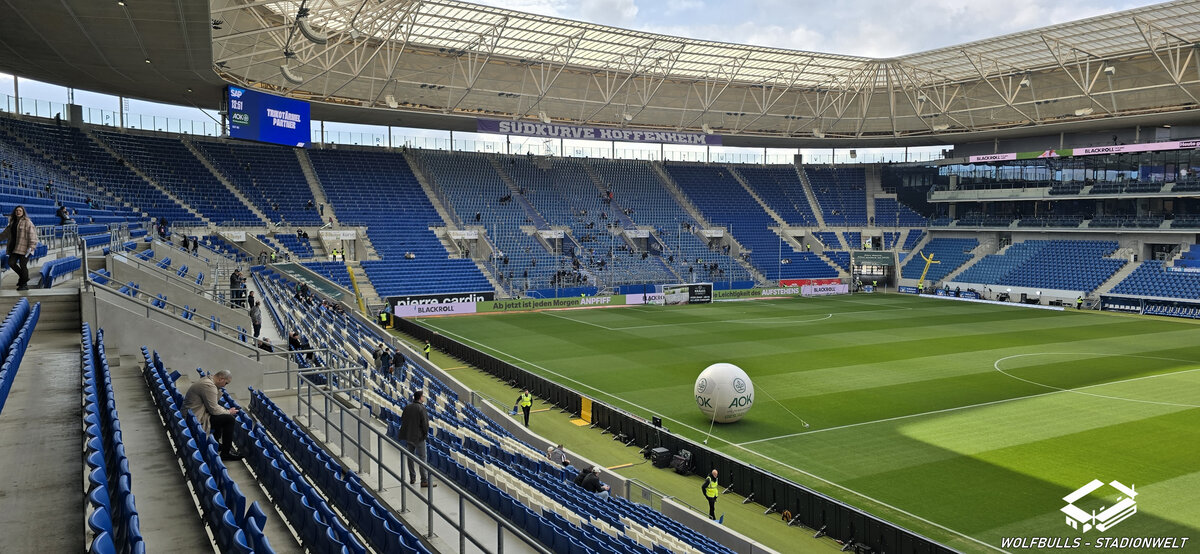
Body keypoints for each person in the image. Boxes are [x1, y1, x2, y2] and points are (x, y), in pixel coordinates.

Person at [183, 370, 242, 461]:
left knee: (221, 416)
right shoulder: (209, 386)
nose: (224, 386)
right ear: (221, 379)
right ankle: (226, 453)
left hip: (192, 415)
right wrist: (229, 412)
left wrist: (225, 411)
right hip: (195, 417)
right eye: (226, 383)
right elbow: (214, 409)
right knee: (229, 419)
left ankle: (217, 444)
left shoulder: (207, 381)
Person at [397, 390, 435, 488]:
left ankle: (412, 477)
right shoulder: (421, 408)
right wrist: (425, 434)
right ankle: (424, 480)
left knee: (410, 457)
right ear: (420, 397)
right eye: (423, 396)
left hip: (409, 436)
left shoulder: (407, 407)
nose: (424, 398)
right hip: (418, 437)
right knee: (422, 458)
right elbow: (425, 424)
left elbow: (403, 419)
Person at [3, 206, 39, 291]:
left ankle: (24, 285)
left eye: (20, 210)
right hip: (15, 247)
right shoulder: (12, 222)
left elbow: (33, 235)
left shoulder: (27, 222)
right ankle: (24, 278)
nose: (18, 212)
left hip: (25, 248)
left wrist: (31, 247)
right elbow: (4, 234)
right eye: (16, 210)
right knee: (11, 262)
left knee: (23, 265)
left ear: (23, 212)